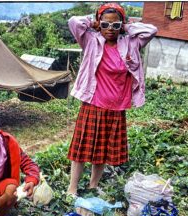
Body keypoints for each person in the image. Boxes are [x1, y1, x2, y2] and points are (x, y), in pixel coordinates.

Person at [66, 3, 158, 196]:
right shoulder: (91, 40)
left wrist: (125, 26)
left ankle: (93, 186)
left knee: (102, 151)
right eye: (106, 25)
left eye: (115, 26)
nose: (110, 29)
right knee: (82, 148)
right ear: (100, 24)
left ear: (121, 26)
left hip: (116, 107)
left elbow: (151, 30)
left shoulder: (131, 43)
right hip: (93, 103)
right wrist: (94, 22)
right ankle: (72, 188)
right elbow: (74, 22)